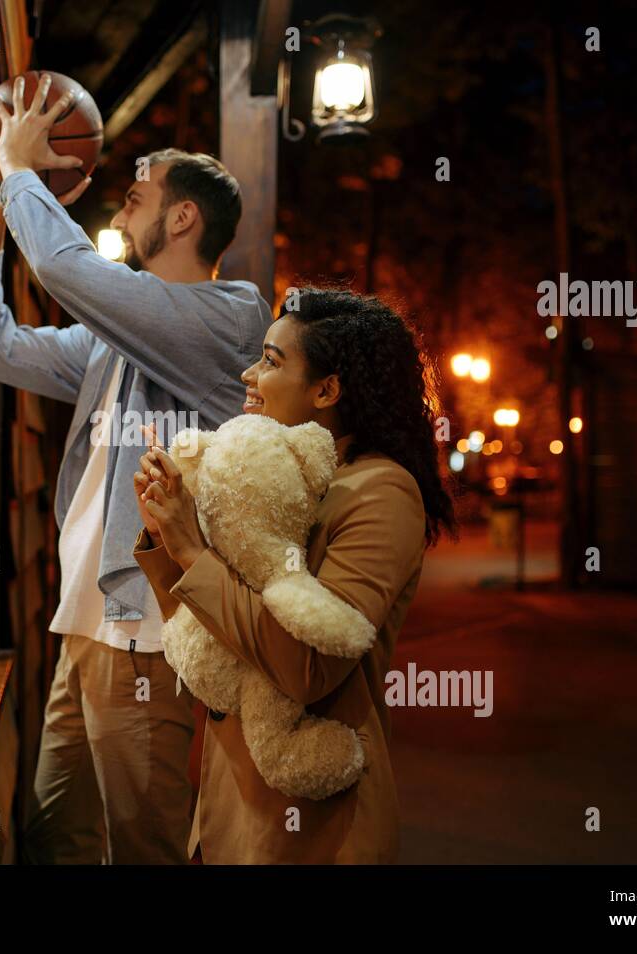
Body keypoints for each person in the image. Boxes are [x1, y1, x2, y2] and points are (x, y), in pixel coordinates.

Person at [0, 74, 272, 863]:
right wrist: (0, 212)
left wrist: (24, 174)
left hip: (148, 636)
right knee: (58, 831)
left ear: (184, 215)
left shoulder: (231, 317)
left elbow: (71, 274)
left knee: (145, 845)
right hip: (85, 624)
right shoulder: (110, 339)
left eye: (141, 190)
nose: (122, 200)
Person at [133, 288, 456, 863]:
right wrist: (167, 535)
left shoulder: (379, 492)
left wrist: (190, 551)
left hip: (310, 831)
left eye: (271, 361)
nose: (249, 373)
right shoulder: (265, 483)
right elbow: (210, 635)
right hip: (227, 807)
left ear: (327, 390)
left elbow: (308, 669)